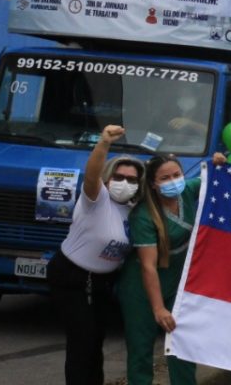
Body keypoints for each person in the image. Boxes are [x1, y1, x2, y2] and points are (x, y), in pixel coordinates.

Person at [48, 125, 144, 385]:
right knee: (82, 342)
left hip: (102, 283)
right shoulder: (97, 199)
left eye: (132, 179)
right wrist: (103, 144)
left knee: (95, 343)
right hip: (72, 277)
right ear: (109, 178)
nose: (125, 183)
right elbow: (91, 177)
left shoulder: (134, 210)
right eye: (120, 177)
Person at [119, 152, 225, 385]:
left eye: (177, 175)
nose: (173, 181)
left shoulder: (187, 190)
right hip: (142, 287)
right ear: (153, 184)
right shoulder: (143, 216)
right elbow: (148, 266)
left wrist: (218, 162)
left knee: (183, 343)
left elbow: (212, 176)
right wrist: (158, 309)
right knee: (141, 350)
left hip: (178, 280)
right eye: (165, 178)